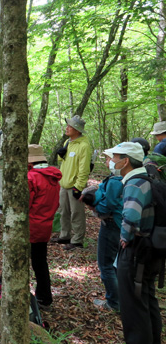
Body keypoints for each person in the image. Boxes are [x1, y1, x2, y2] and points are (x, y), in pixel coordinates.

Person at [105, 142, 161, 343]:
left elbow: (130, 215)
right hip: (151, 249)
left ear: (125, 161)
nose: (111, 162)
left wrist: (124, 239)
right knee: (146, 299)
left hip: (137, 251)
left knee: (133, 306)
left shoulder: (134, 183)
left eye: (114, 157)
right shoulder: (149, 177)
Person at [81, 149, 123, 312]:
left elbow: (108, 206)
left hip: (112, 224)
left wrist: (93, 206)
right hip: (118, 224)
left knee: (106, 264)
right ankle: (118, 298)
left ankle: (114, 302)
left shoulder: (115, 181)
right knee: (114, 263)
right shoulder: (122, 179)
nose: (107, 162)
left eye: (109, 158)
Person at [27, 144, 61, 310]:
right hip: (45, 225)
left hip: (30, 226)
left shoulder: (32, 177)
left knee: (17, 258)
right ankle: (45, 298)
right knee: (40, 263)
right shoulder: (53, 177)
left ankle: (1, 290)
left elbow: (25, 204)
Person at [55, 115, 92, 250]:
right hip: (64, 183)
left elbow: (84, 168)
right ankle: (64, 235)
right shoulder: (68, 142)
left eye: (70, 126)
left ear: (77, 130)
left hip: (75, 185)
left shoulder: (84, 145)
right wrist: (61, 155)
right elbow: (64, 162)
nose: (67, 128)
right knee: (63, 211)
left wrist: (79, 187)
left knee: (76, 213)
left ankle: (77, 240)